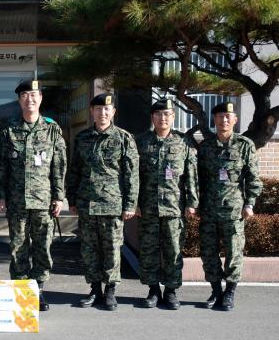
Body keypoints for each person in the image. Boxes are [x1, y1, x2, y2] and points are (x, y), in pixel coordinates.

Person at [0, 80, 67, 312]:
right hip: (16, 201)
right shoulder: (9, 129)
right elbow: (2, 167)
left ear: (40, 98)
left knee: (42, 247)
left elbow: (59, 165)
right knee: (18, 247)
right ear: (19, 100)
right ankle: (20, 292)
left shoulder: (51, 129)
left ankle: (38, 290)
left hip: (43, 200)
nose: (30, 99)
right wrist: (1, 195)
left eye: (34, 95)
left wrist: (58, 196)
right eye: (25, 95)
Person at [66, 93, 139, 311]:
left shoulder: (124, 138)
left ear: (113, 112)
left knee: (111, 249)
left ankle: (110, 291)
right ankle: (94, 289)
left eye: (107, 109)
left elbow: (131, 174)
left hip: (112, 205)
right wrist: (72, 198)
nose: (103, 113)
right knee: (90, 249)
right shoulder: (82, 138)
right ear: (92, 112)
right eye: (98, 109)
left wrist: (130, 204)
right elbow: (75, 170)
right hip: (87, 204)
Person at [135, 99, 198, 310]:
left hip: (174, 207)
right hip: (148, 207)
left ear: (173, 117)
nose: (163, 118)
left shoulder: (183, 142)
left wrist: (192, 202)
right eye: (159, 114)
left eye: (167, 114)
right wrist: (133, 203)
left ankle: (171, 291)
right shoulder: (141, 141)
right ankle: (153, 290)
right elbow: (134, 176)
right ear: (153, 117)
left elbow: (191, 175)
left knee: (173, 250)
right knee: (149, 250)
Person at [198, 101, 262, 311]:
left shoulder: (244, 145)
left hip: (234, 210)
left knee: (234, 253)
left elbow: (253, 178)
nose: (224, 120)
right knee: (208, 252)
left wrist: (250, 203)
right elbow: (198, 178)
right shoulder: (206, 146)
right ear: (214, 120)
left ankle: (230, 293)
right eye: (220, 116)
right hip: (208, 209)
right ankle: (216, 291)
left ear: (234, 120)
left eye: (228, 116)